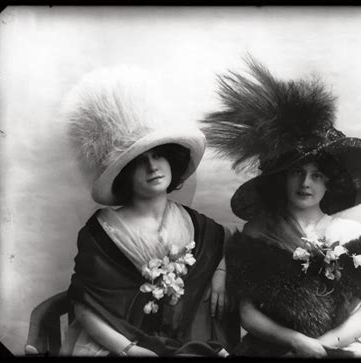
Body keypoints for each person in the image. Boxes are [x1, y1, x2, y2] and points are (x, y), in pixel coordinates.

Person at [201, 58, 361, 357]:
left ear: (330, 183)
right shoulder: (259, 231)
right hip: (272, 348)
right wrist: (295, 342)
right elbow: (248, 314)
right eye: (296, 172)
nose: (306, 183)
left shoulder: (351, 232)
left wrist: (321, 348)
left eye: (317, 175)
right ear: (281, 178)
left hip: (333, 346)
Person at [59, 66, 239, 356]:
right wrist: (129, 349)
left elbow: (228, 241)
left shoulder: (194, 224)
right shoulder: (102, 232)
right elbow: (84, 305)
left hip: (182, 343)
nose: (153, 167)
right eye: (139, 161)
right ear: (125, 173)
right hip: (117, 346)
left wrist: (219, 272)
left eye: (158, 156)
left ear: (171, 160)